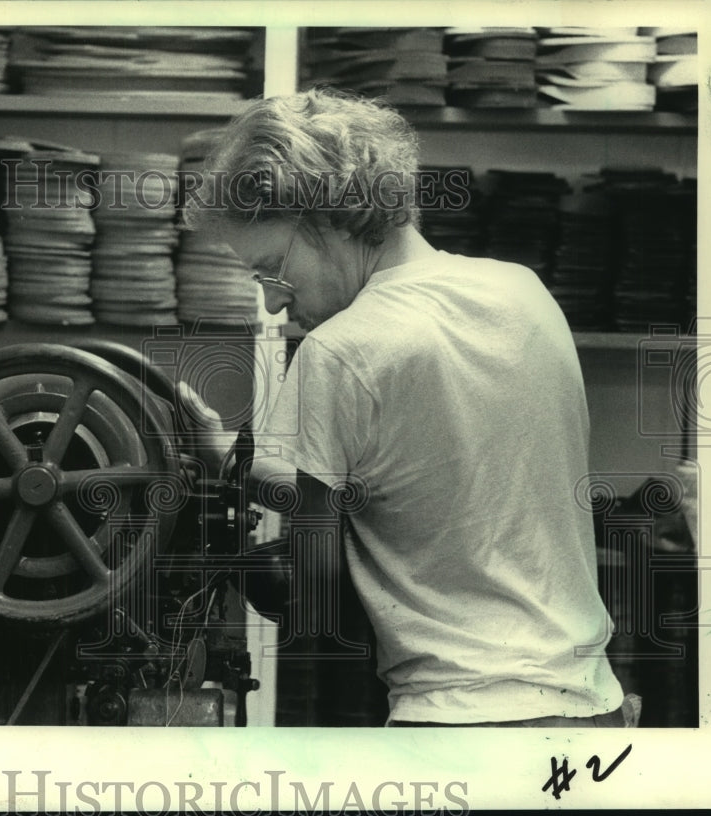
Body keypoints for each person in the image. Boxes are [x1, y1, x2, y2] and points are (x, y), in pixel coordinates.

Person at [181, 88, 636, 727]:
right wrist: (232, 458)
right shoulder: (524, 293)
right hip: (592, 711)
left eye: (270, 272)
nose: (275, 305)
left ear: (323, 219)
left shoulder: (338, 352)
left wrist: (219, 550)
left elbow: (310, 600)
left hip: (464, 729)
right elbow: (434, 474)